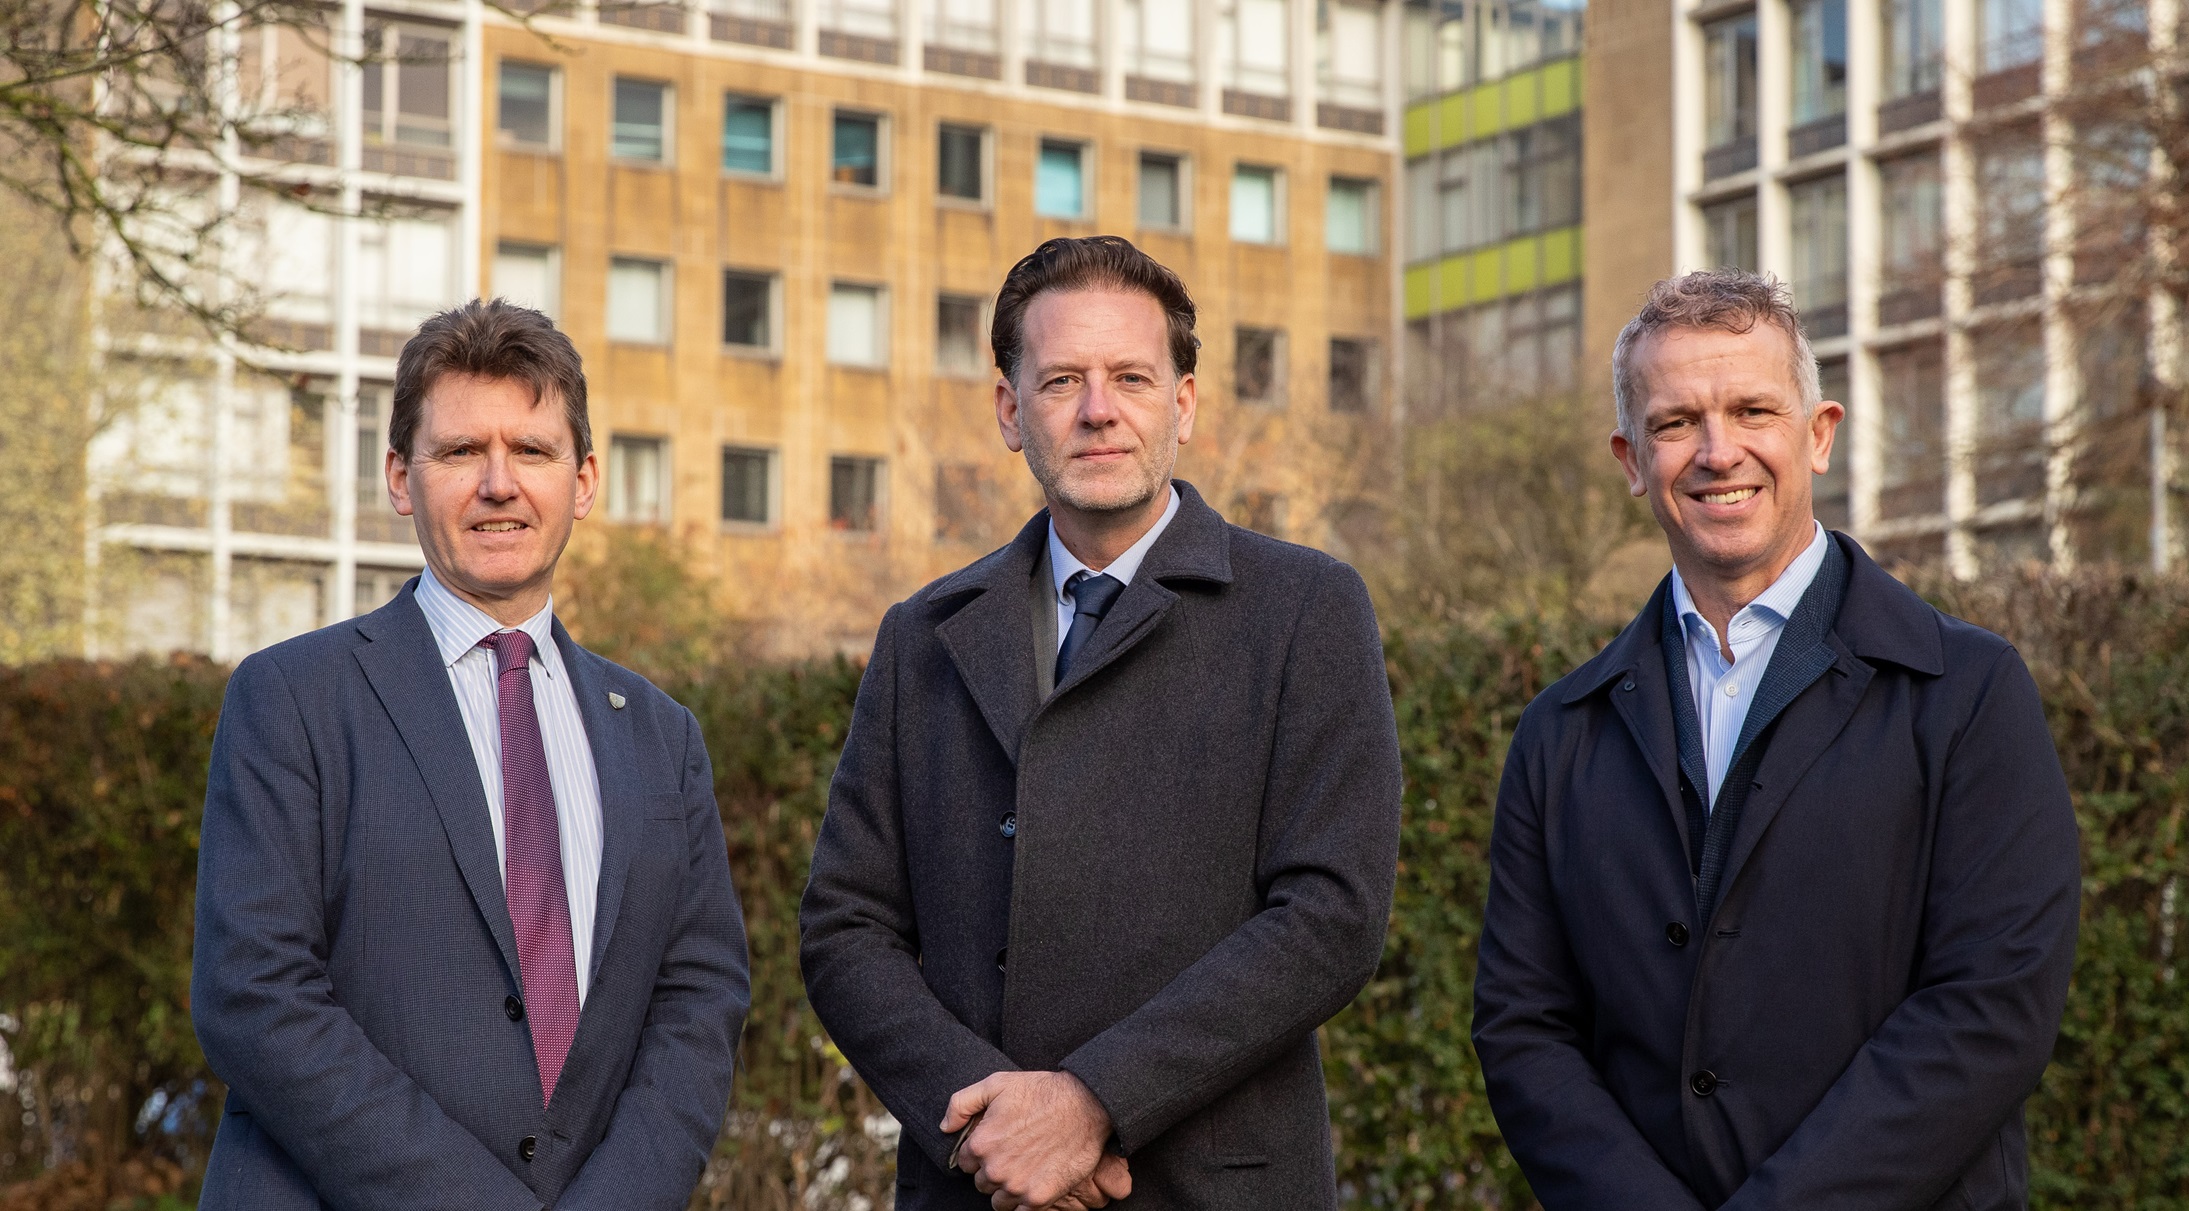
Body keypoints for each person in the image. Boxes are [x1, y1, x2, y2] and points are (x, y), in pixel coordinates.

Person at [799, 236, 1403, 1211]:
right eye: (1061, 380)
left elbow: (1329, 915)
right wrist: (992, 1129)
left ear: (1184, 402)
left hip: (1209, 1186)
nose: (1097, 409)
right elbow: (845, 928)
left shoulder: (1304, 610)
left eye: (1130, 375)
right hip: (977, 1185)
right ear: (1008, 410)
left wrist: (1092, 1103)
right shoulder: (922, 636)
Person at [1472, 269, 2081, 1209]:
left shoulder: (1966, 692)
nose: (1719, 452)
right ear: (1630, 459)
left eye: (1753, 409)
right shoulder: (1559, 734)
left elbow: (1990, 1006)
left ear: (1818, 433)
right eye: (1676, 423)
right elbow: (1523, 1030)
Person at [190, 300, 751, 1211]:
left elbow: (697, 1001)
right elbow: (253, 996)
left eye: (531, 451)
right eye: (459, 452)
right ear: (401, 478)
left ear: (584, 480)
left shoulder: (661, 735)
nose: (500, 483)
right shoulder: (292, 699)